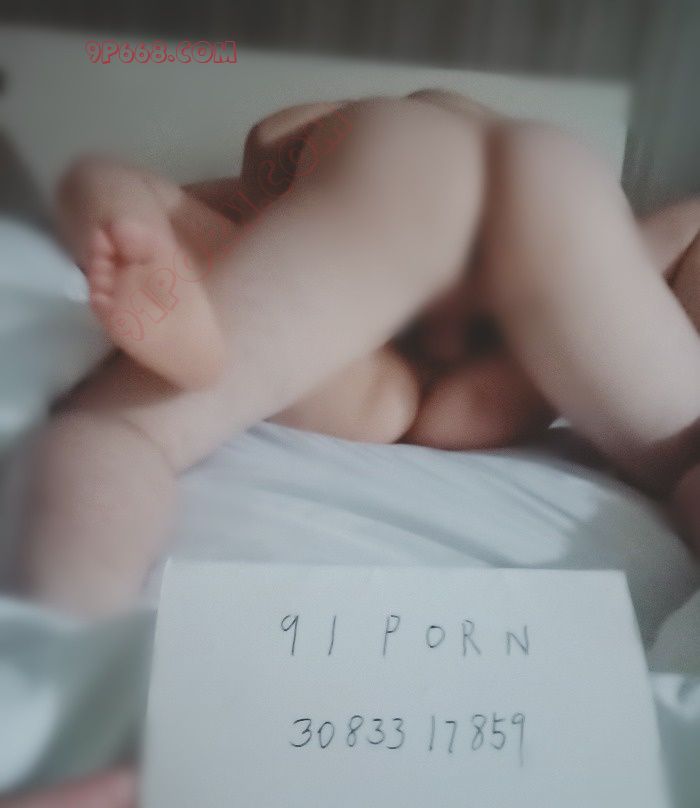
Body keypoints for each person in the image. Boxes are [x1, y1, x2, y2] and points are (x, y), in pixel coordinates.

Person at [17, 90, 700, 615]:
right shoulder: (519, 153)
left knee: (131, 425)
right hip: (544, 219)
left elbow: (220, 181)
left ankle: (65, 644)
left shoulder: (328, 133)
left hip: (413, 178)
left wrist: (137, 221)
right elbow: (671, 236)